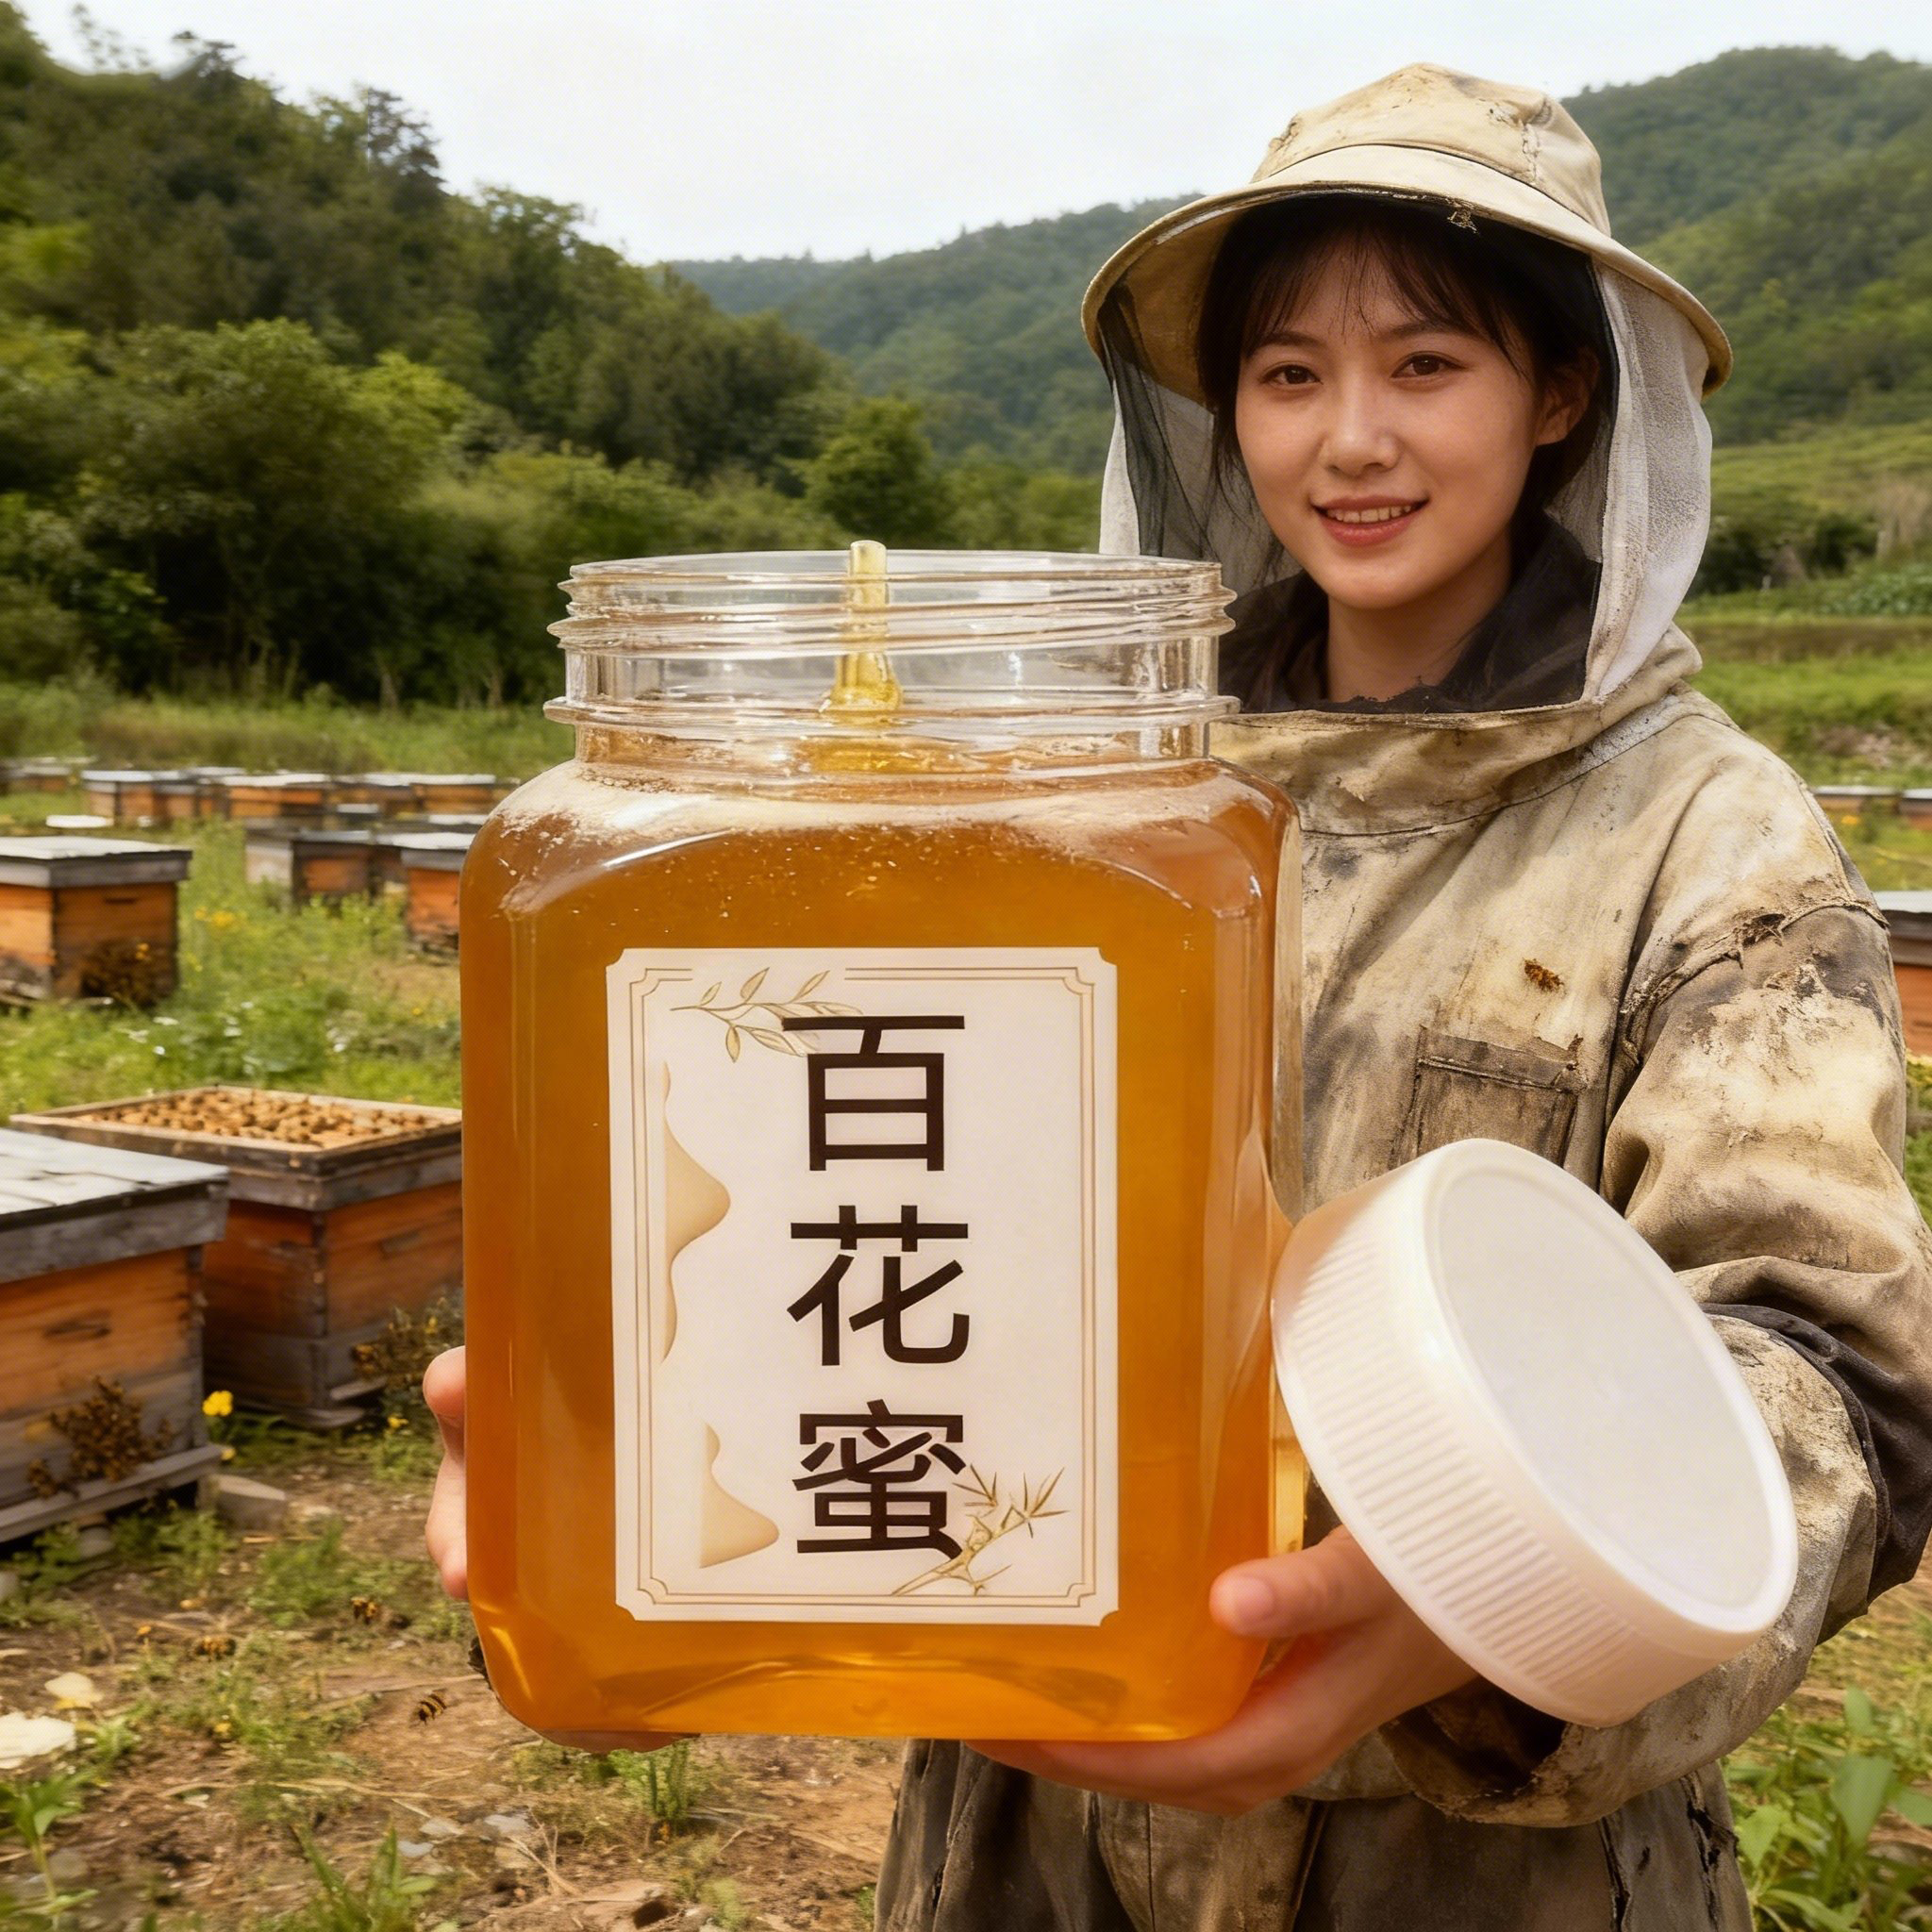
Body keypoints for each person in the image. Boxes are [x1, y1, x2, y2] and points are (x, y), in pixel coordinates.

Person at [426, 64, 1932, 1928]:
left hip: (1464, 1861)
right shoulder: (1050, 802)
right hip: (1030, 1803)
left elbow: (1830, 1379)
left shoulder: (1707, 832)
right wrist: (634, 1453)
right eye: (1287, 374)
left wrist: (1481, 1602)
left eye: (1427, 366)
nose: (1347, 438)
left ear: (1560, 394)